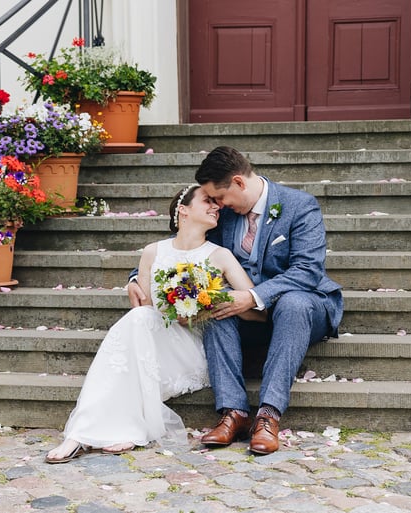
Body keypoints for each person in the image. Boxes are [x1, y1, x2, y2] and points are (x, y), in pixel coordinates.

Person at [127, 146, 343, 455]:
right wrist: (136, 277)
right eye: (213, 201)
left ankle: (268, 415)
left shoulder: (299, 206)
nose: (218, 205)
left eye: (221, 198)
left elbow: (308, 270)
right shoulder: (226, 214)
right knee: (215, 300)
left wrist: (253, 296)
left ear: (239, 182)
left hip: (305, 307)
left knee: (293, 303)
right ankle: (234, 412)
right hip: (247, 317)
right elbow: (185, 247)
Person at [45, 184, 265, 464]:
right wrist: (141, 287)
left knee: (138, 323)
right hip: (160, 341)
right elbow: (147, 309)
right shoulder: (152, 252)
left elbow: (256, 309)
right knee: (139, 318)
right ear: (183, 211)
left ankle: (117, 429)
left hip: (196, 346)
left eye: (216, 203)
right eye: (208, 201)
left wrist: (211, 305)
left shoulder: (220, 256)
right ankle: (81, 434)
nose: (216, 207)